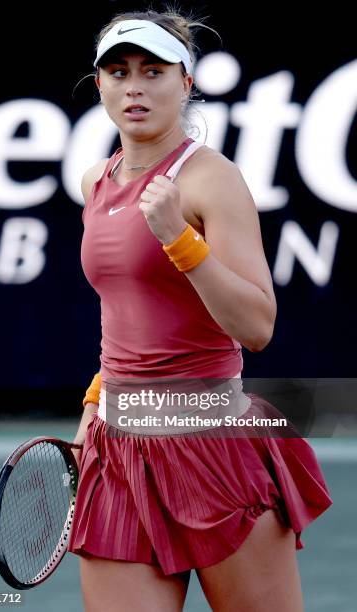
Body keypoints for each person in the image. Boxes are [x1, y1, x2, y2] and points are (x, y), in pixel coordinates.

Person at [67, 8, 333, 611]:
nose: (135, 85)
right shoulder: (95, 181)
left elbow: (257, 325)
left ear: (185, 83)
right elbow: (130, 313)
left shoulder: (212, 180)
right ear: (100, 83)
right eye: (119, 70)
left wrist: (179, 240)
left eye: (154, 70)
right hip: (118, 448)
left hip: (213, 448)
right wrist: (95, 399)